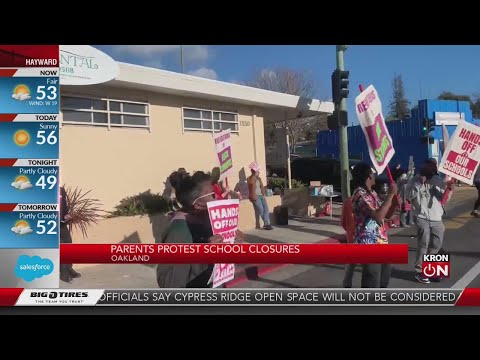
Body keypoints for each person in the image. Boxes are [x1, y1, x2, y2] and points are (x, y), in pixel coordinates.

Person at [157, 171, 244, 288]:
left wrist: (233, 240)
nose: (218, 196)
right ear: (197, 204)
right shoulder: (178, 230)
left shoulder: (211, 220)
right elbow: (167, 282)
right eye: (213, 194)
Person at [405, 158, 454, 284]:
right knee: (423, 243)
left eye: (433, 167)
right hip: (421, 216)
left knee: (436, 245)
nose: (431, 169)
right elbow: (409, 196)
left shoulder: (438, 181)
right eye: (429, 167)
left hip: (436, 217)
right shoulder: (414, 180)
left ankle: (430, 269)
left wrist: (449, 189)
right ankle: (419, 271)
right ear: (424, 167)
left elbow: (444, 199)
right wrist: (418, 184)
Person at [351, 163, 397, 288]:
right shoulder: (360, 195)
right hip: (368, 243)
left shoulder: (372, 193)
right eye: (372, 173)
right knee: (372, 279)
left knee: (384, 277)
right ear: (367, 177)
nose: (375, 175)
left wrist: (394, 203)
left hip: (380, 241)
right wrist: (390, 195)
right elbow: (378, 217)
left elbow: (386, 215)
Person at [59, 186, 81, 283]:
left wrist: (67, 216)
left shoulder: (61, 190)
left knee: (68, 243)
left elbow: (64, 205)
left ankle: (69, 268)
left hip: (62, 223)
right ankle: (64, 274)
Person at [247, 162, 273, 230]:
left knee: (266, 209)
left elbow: (261, 187)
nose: (258, 172)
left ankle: (266, 224)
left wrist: (264, 194)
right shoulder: (250, 178)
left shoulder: (259, 178)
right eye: (257, 171)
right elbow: (251, 183)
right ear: (254, 171)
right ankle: (267, 224)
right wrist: (254, 175)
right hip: (255, 197)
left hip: (261, 196)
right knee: (261, 209)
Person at [341, 196, 357, 287]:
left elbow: (343, 221)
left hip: (352, 236)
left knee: (350, 266)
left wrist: (349, 230)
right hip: (367, 239)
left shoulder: (348, 201)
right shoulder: (371, 199)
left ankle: (347, 287)